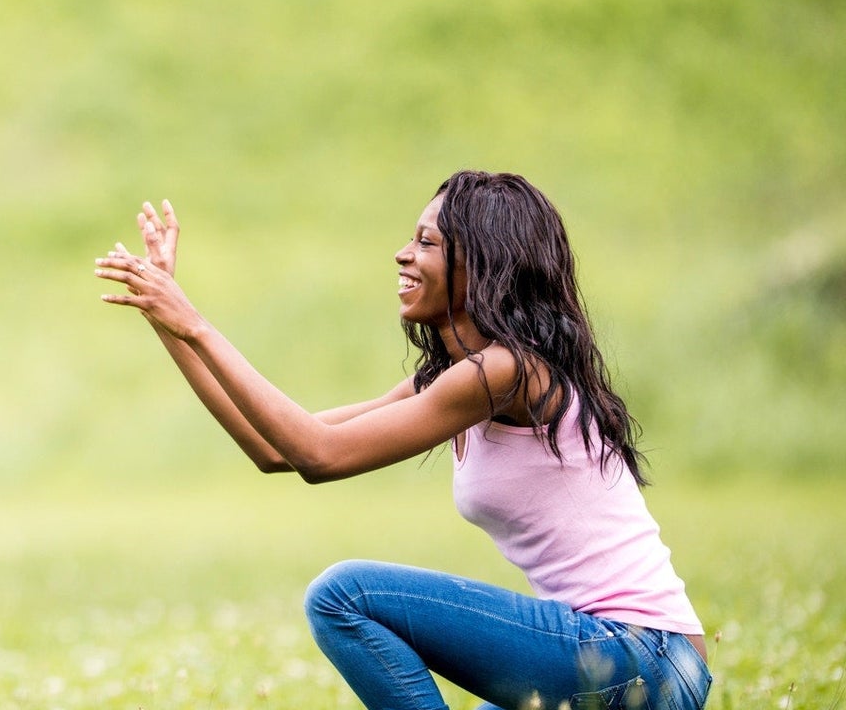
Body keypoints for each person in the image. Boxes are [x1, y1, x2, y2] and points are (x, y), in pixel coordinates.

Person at [94, 171, 710, 710]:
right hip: (629, 664)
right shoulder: (456, 380)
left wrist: (196, 324)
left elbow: (319, 456)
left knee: (343, 595)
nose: (402, 255)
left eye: (427, 242)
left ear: (481, 264)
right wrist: (168, 320)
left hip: (641, 657)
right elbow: (278, 450)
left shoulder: (505, 371)